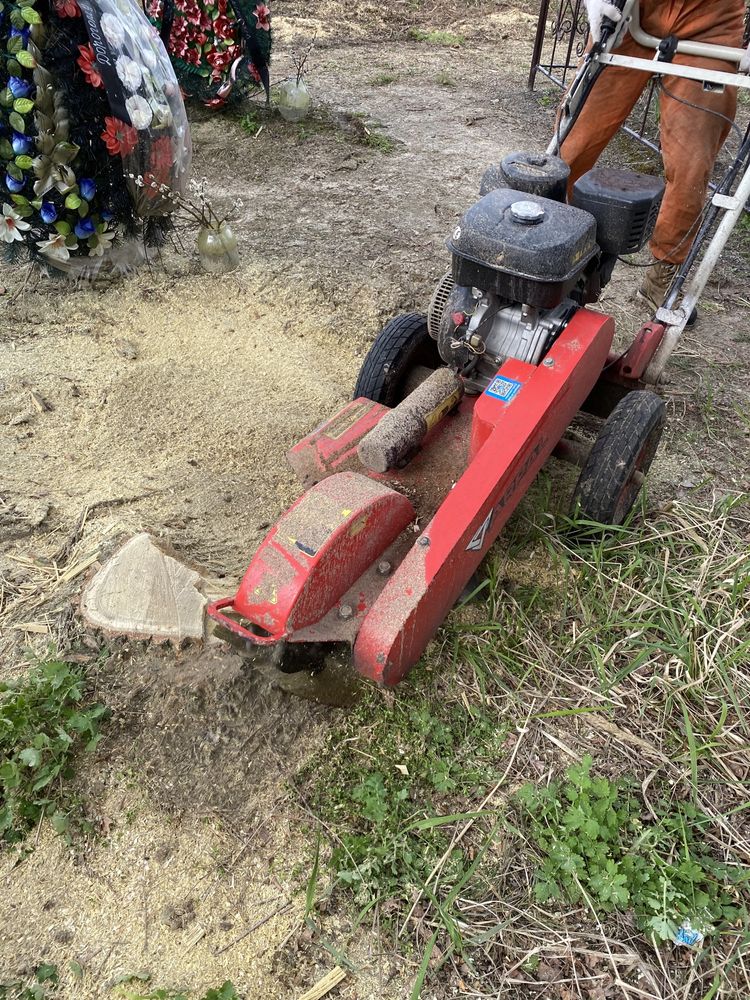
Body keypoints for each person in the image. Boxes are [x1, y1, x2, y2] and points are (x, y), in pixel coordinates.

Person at [560, 0, 748, 319]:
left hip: (710, 20)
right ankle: (551, 239)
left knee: (692, 163)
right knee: (573, 140)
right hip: (629, 8)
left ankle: (662, 279)